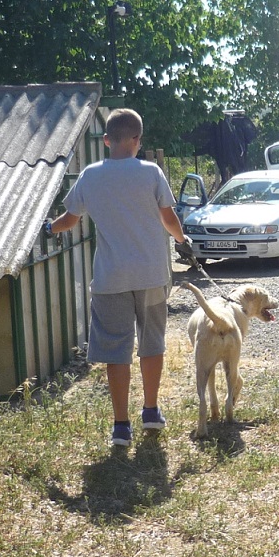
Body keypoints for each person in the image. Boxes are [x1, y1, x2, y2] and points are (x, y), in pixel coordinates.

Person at [43, 108, 190, 449]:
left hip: (111, 279)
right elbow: (169, 219)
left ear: (107, 140)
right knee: (152, 343)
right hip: (152, 274)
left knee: (116, 350)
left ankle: (121, 426)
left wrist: (49, 228)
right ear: (138, 140)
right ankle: (151, 410)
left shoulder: (91, 176)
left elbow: (69, 219)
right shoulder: (152, 173)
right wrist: (183, 242)